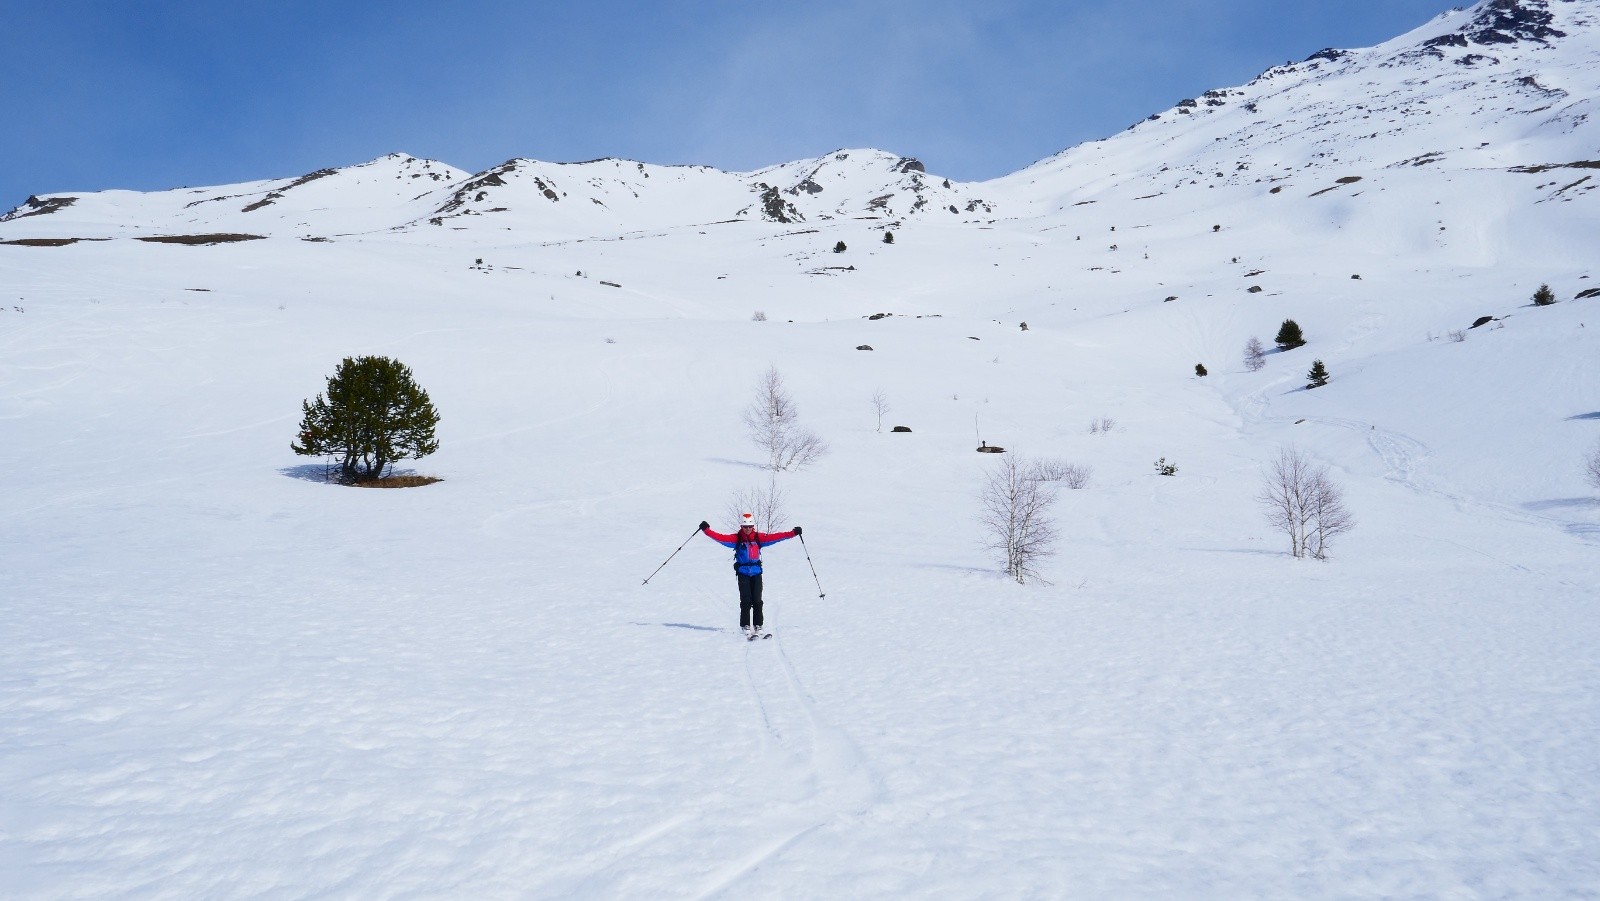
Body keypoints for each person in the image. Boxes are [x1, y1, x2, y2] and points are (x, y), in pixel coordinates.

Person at [698, 513, 801, 637]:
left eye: (750, 526)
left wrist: (793, 533)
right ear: (741, 526)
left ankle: (758, 625)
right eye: (745, 527)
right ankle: (745, 625)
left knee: (757, 600)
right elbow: (720, 538)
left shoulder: (758, 538)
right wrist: (707, 530)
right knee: (746, 600)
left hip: (756, 572)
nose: (747, 529)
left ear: (753, 526)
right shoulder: (736, 539)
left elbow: (777, 537)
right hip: (743, 573)